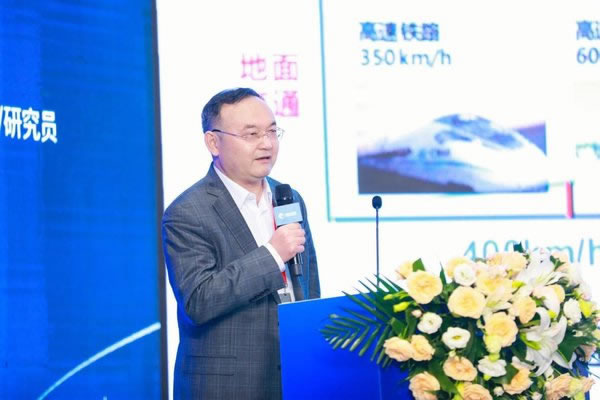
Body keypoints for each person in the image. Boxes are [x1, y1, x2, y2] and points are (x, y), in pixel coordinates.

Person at [162, 87, 320, 399]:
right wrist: (272, 255)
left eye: (272, 131)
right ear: (213, 142)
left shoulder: (288, 197)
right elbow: (199, 301)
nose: (267, 143)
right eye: (251, 134)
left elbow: (309, 284)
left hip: (295, 376)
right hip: (227, 386)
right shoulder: (187, 212)